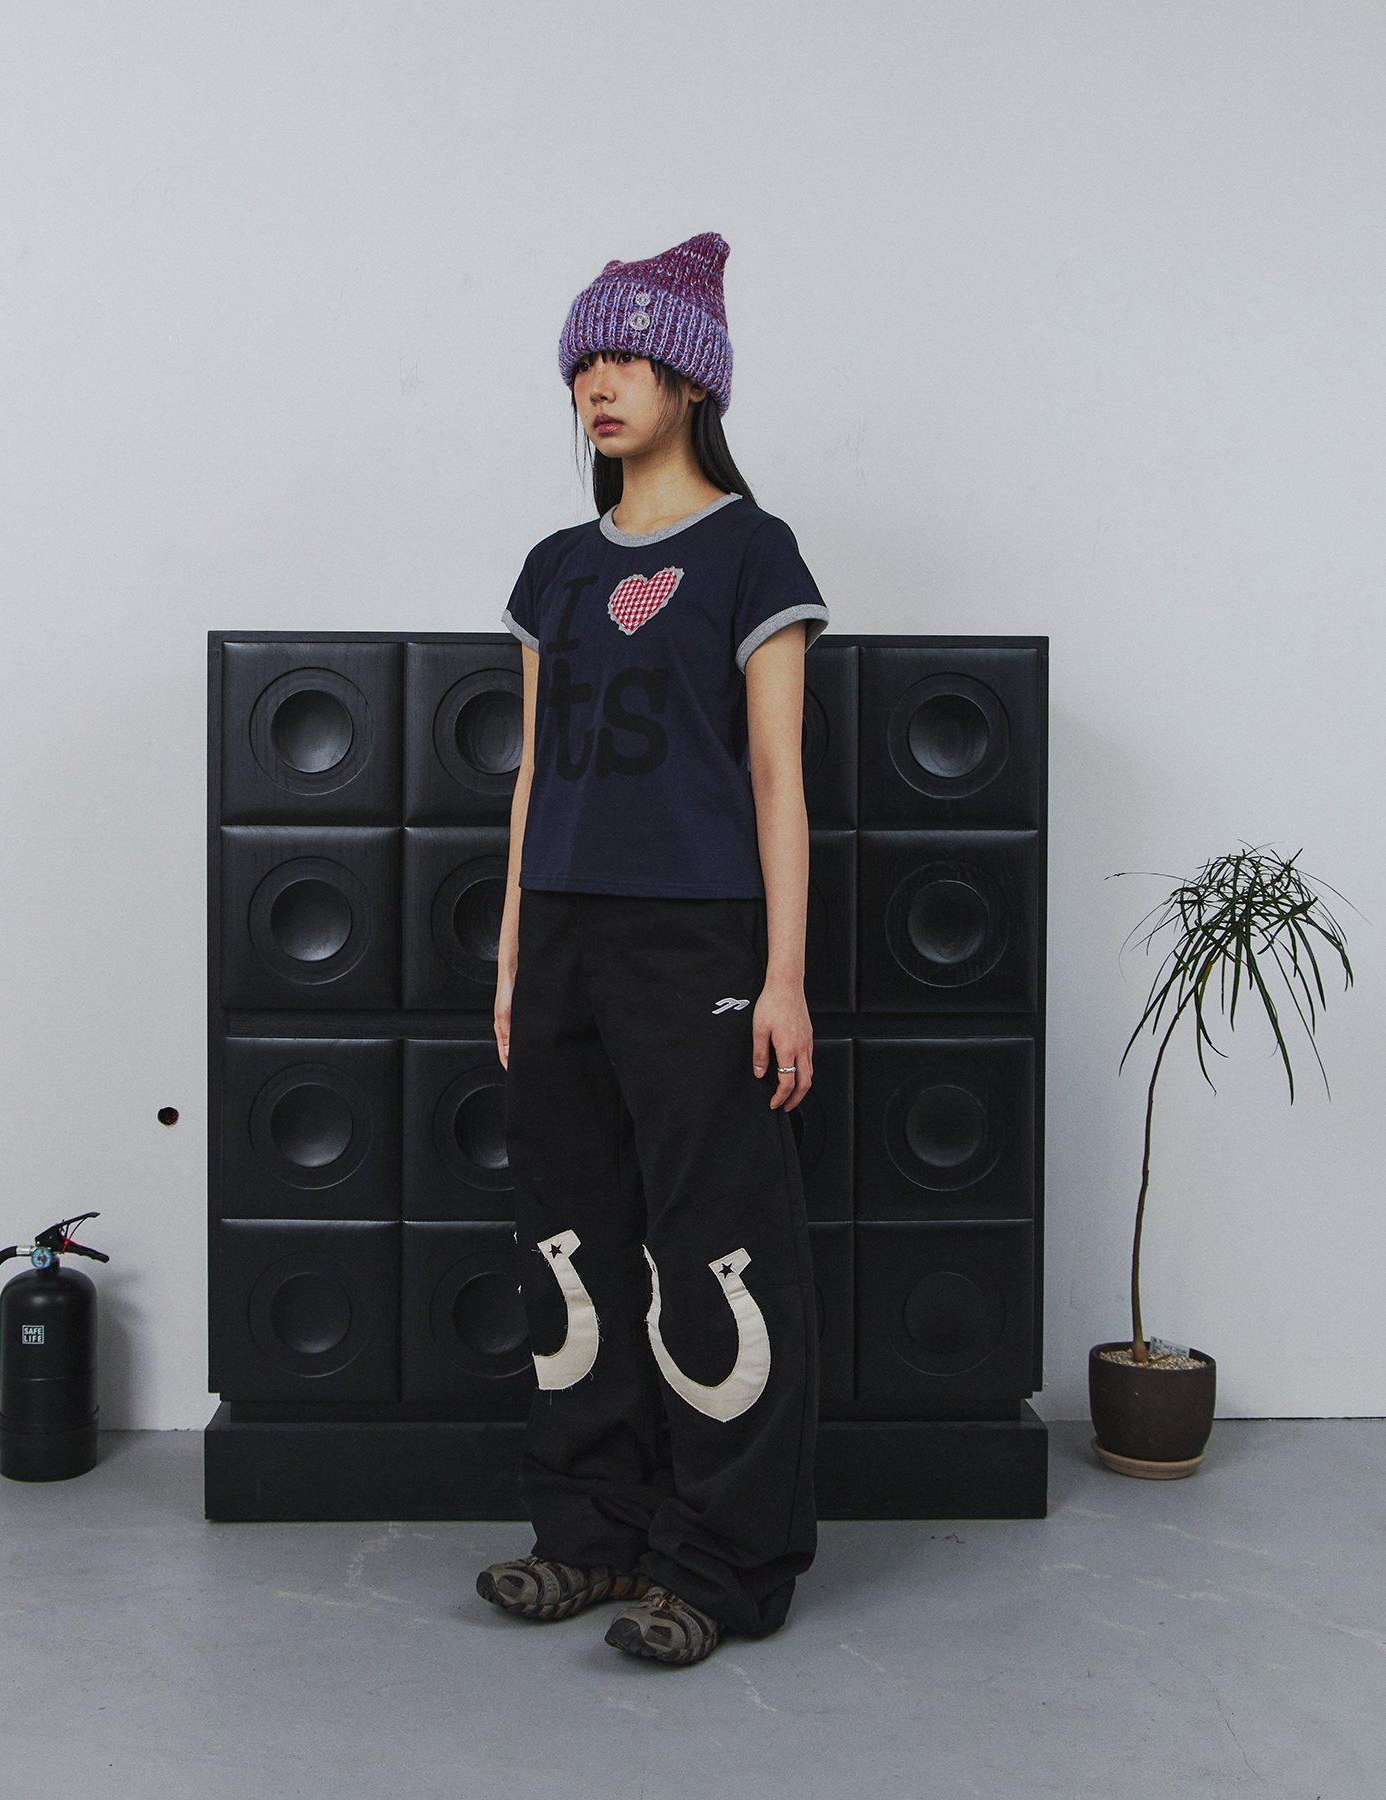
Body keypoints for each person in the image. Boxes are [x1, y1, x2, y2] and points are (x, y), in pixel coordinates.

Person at [477, 232, 828, 1667]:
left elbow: (777, 779)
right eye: (582, 363)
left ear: (692, 380)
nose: (597, 385)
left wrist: (785, 976)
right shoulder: (555, 571)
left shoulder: (753, 552)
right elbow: (531, 777)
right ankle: (591, 1535)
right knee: (571, 1241)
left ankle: (723, 1565)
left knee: (712, 1243)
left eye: (625, 358)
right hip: (563, 933)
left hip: (699, 942)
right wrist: (513, 953)